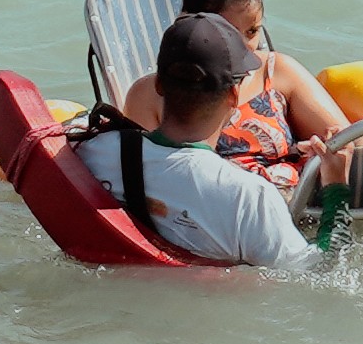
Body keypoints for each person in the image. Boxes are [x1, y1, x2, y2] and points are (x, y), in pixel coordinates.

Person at [77, 14, 308, 267]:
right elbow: (310, 275)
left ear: (158, 85)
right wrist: (335, 192)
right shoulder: (250, 198)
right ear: (234, 95)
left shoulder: (94, 153)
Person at [117, 0, 349, 171]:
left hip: (301, 202)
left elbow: (357, 141)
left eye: (252, 31)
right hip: (225, 206)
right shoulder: (152, 94)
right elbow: (150, 179)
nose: (244, 46)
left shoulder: (277, 71)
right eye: (229, 33)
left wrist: (319, 148)